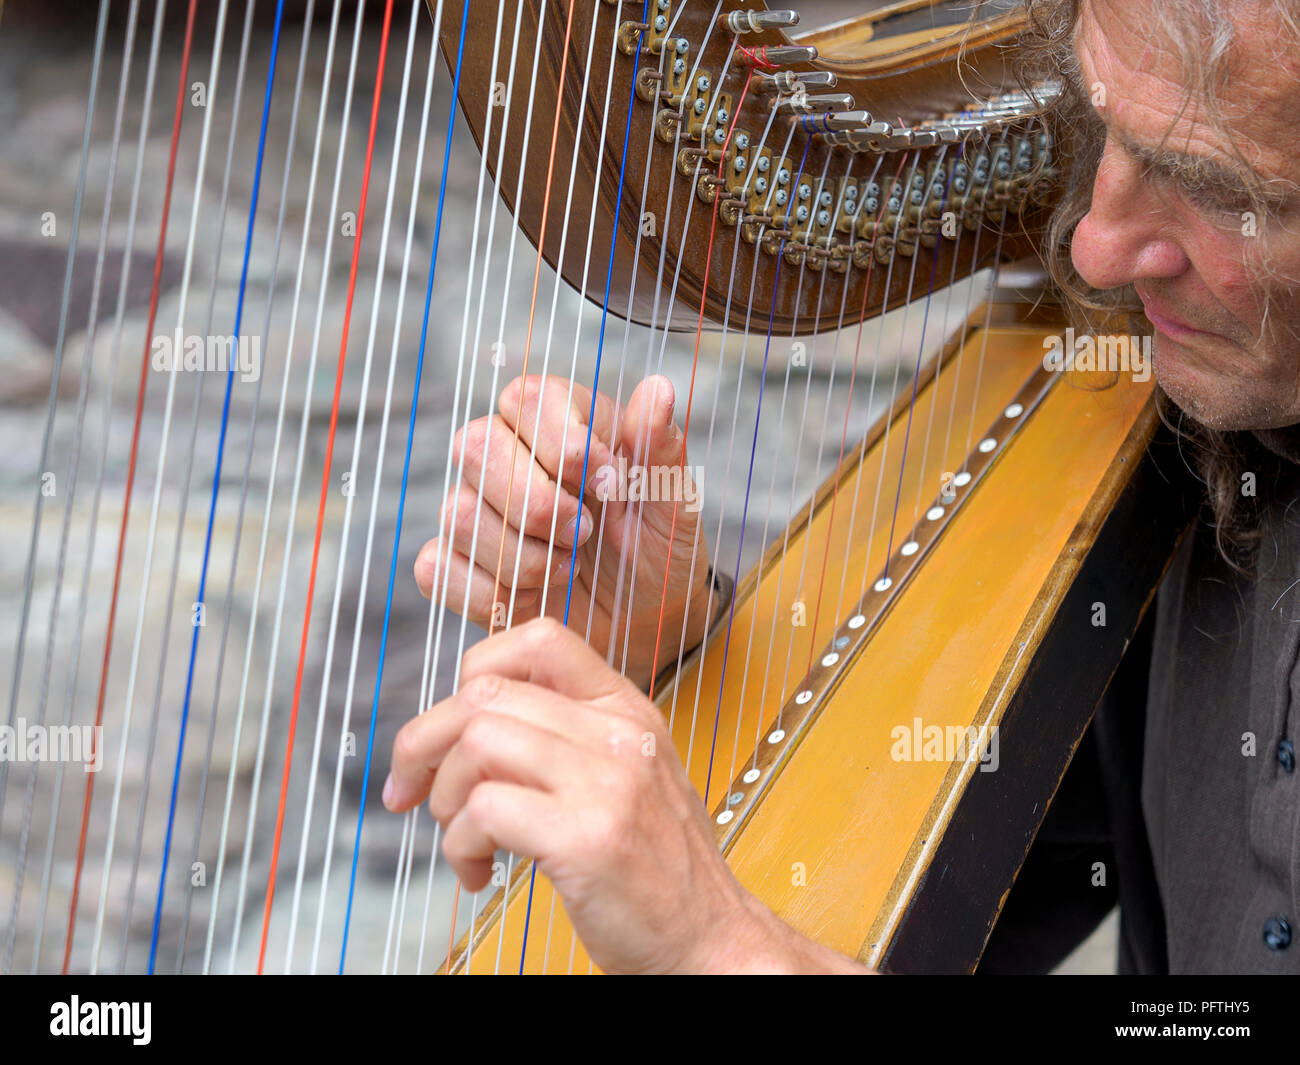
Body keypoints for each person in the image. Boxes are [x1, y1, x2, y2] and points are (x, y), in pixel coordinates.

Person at [381, 0, 1300, 973]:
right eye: (1106, 125)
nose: (1093, 249)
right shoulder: (1202, 428)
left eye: (1209, 185)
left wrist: (727, 952)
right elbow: (971, 871)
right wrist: (683, 650)